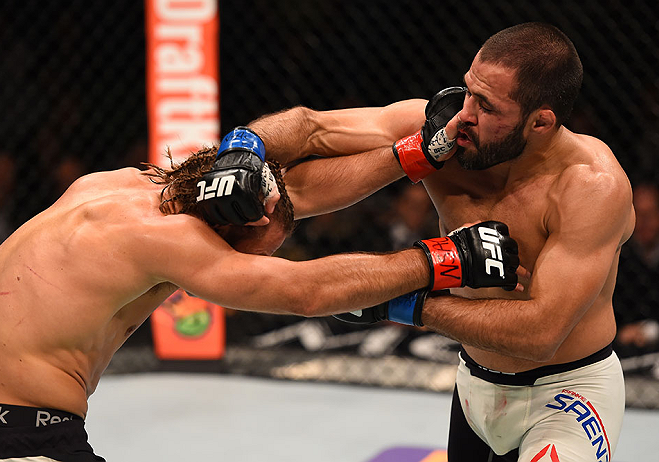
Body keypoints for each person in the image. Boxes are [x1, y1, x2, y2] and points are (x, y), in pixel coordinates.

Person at [209, 22, 635, 462]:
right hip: (475, 386)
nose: (465, 113)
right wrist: (244, 147)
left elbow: (541, 334)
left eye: (488, 106)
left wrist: (401, 303)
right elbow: (312, 128)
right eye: (469, 90)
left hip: (566, 395)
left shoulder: (590, 187)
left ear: (541, 122)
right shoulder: (448, 134)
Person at [0, 128, 523, 461]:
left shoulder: (125, 185)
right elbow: (307, 292)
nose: (251, 267)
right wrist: (445, 259)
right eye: (253, 254)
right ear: (232, 229)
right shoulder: (172, 243)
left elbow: (299, 180)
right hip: (15, 431)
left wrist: (411, 155)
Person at [614, 182, 659, 356]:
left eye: (648, 215)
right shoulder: (621, 254)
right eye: (637, 215)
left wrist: (652, 331)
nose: (642, 223)